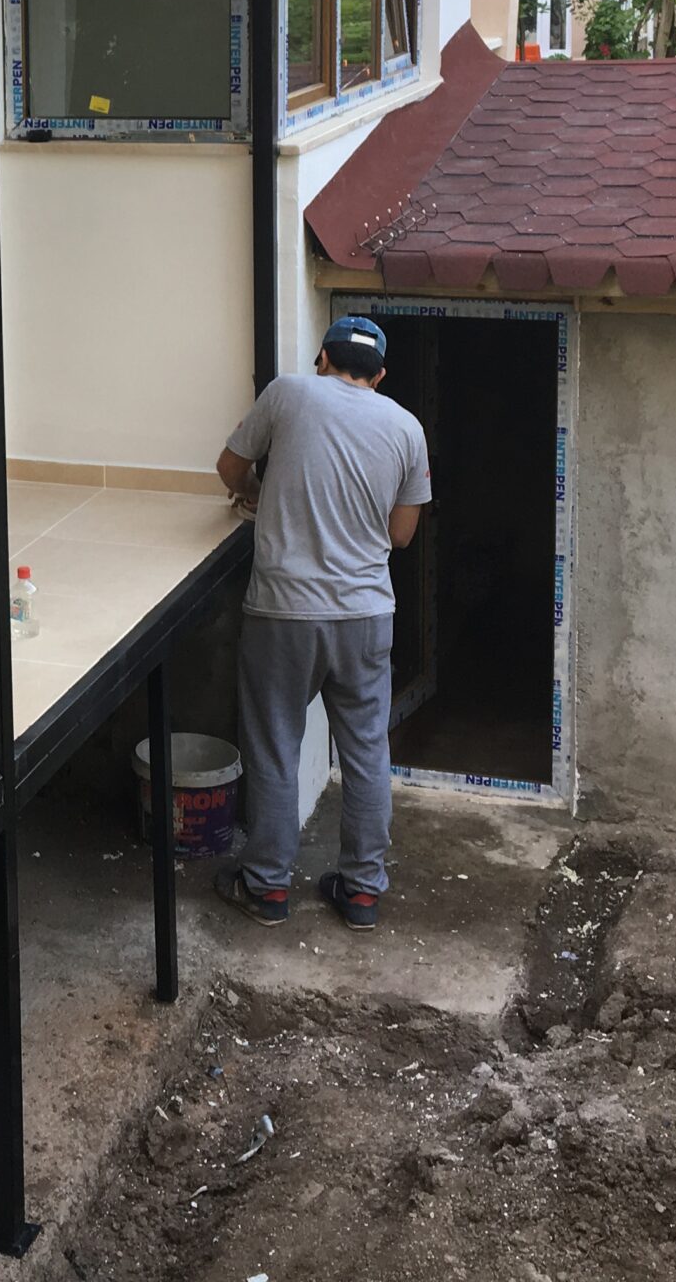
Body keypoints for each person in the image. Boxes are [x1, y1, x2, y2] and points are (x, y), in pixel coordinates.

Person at [212, 315, 431, 932]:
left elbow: (229, 468)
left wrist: (262, 492)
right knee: (366, 752)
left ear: (323, 360)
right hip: (366, 616)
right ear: (379, 376)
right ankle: (361, 893)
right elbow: (402, 534)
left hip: (282, 612)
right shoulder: (406, 426)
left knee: (275, 746)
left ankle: (267, 887)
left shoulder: (288, 393)